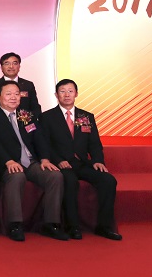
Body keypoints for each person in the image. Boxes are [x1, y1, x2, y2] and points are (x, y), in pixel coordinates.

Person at [0, 80, 65, 241]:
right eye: (8, 94)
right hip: (6, 163)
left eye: (16, 94)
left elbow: (40, 139)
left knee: (55, 176)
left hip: (32, 162)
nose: (13, 97)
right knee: (16, 176)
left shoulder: (26, 115)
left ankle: (51, 223)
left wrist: (45, 159)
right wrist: (8, 161)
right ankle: (15, 224)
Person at [41, 79, 121, 240]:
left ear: (76, 93)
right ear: (56, 95)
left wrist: (98, 160)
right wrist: (57, 160)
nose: (67, 94)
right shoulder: (47, 117)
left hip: (83, 163)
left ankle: (104, 226)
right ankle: (73, 226)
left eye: (70, 91)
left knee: (108, 181)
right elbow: (45, 144)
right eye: (62, 91)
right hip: (62, 164)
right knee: (70, 182)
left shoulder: (87, 116)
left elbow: (95, 143)